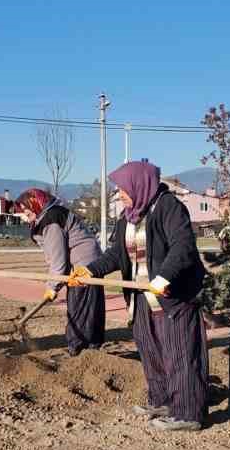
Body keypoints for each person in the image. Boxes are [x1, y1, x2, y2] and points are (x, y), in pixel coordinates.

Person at [72, 161, 208, 432]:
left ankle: (187, 413)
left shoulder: (169, 207)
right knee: (150, 350)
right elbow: (116, 254)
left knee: (178, 352)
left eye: (122, 188)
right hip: (141, 295)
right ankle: (162, 401)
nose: (120, 194)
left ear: (139, 185)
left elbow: (183, 247)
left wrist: (163, 277)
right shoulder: (129, 216)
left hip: (172, 295)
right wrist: (89, 270)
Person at [16, 188, 105, 355]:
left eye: (28, 213)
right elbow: (55, 257)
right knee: (87, 308)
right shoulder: (48, 216)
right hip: (85, 263)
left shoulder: (51, 220)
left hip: (84, 265)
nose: (27, 218)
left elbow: (59, 261)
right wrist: (54, 281)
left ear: (36, 205)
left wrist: (52, 286)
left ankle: (79, 350)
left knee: (80, 308)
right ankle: (91, 347)